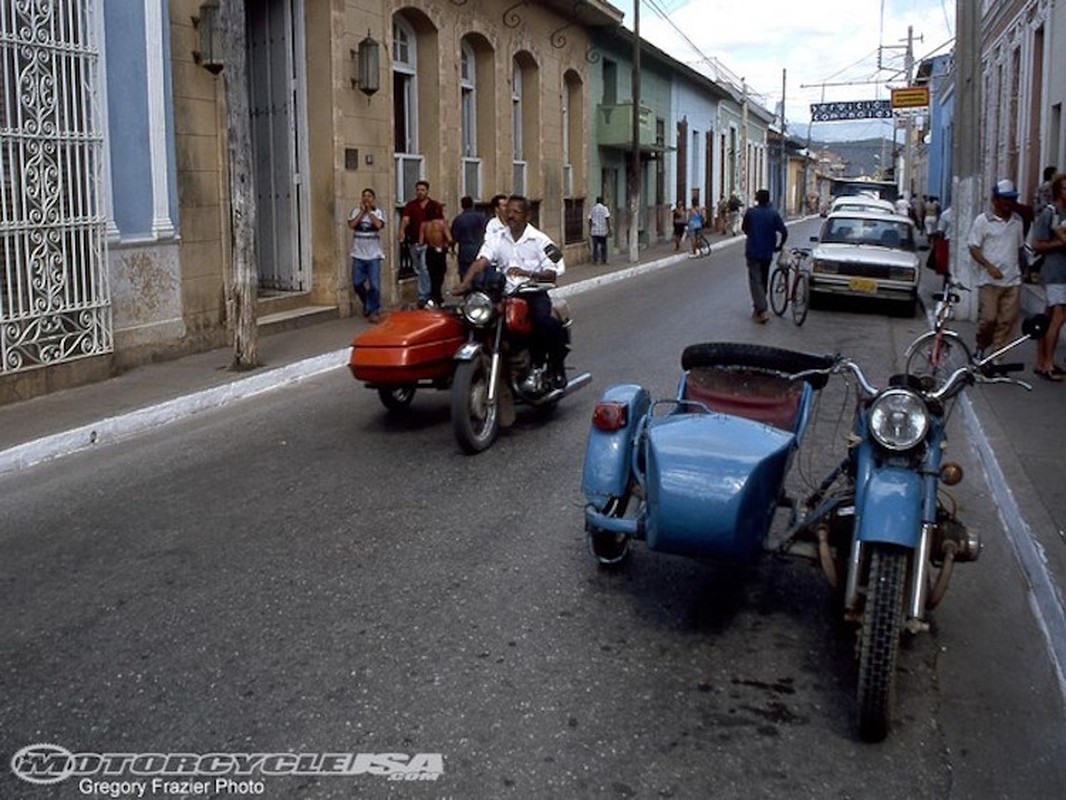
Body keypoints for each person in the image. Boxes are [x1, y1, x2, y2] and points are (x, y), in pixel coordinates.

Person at [454, 195, 569, 388]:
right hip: (506, 295)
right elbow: (482, 260)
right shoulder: (497, 238)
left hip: (533, 294)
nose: (511, 216)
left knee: (542, 321)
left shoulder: (540, 240)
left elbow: (554, 270)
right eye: (509, 212)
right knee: (477, 321)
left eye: (516, 212)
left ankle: (554, 366)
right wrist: (465, 283)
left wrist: (527, 273)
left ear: (527, 215)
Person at [967, 179, 1025, 359]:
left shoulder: (1017, 221)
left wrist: (1023, 270)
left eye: (1011, 199)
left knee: (1007, 322)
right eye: (1005, 199)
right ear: (995, 200)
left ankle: (997, 357)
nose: (1008, 203)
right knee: (989, 320)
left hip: (1012, 280)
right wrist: (988, 266)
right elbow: (974, 248)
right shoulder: (983, 221)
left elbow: (1020, 248)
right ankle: (981, 346)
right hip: (989, 281)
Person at [1031, 172, 1066, 381]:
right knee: (1058, 315)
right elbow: (1037, 244)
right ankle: (1048, 364)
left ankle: (1041, 360)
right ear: (1057, 191)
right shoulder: (1050, 213)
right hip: (1055, 272)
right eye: (1064, 188)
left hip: (1064, 273)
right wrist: (1058, 243)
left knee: (1049, 317)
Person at [741, 188, 788, 323]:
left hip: (753, 251)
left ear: (757, 199)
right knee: (763, 280)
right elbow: (784, 232)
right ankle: (759, 309)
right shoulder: (773, 214)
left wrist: (753, 234)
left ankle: (762, 309)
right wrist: (779, 246)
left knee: (755, 281)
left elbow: (745, 229)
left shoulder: (751, 213)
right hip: (767, 252)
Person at [348, 187, 386, 323]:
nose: (366, 198)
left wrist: (369, 212)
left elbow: (378, 225)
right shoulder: (355, 211)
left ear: (373, 199)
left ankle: (374, 310)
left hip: (373, 255)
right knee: (357, 283)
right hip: (358, 254)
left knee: (375, 285)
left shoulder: (378, 212)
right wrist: (361, 213)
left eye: (369, 196)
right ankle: (367, 303)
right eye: (364, 196)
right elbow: (352, 225)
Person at [398, 179, 434, 306]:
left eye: (422, 190)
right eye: (418, 190)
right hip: (414, 242)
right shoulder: (411, 205)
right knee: (418, 269)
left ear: (427, 191)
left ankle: (424, 295)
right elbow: (406, 219)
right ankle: (426, 292)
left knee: (424, 268)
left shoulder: (433, 205)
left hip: (428, 243)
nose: (420, 192)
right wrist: (401, 231)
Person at [419, 200, 452, 307]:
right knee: (440, 274)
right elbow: (449, 238)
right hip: (440, 251)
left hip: (430, 251)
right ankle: (437, 296)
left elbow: (421, 241)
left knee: (432, 275)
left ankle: (433, 296)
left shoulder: (424, 225)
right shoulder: (442, 223)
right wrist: (446, 244)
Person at [450, 196, 487, 283]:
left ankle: (467, 291)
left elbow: (454, 237)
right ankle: (478, 290)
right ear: (472, 205)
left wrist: (452, 249)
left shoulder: (458, 219)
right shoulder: (481, 217)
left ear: (462, 205)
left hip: (464, 249)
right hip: (478, 247)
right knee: (479, 271)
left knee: (465, 273)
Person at [588, 196, 611, 264]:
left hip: (594, 231)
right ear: (602, 201)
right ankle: (604, 260)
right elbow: (607, 219)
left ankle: (595, 260)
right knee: (603, 246)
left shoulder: (593, 209)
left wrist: (590, 229)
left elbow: (590, 219)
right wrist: (609, 229)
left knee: (595, 246)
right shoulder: (605, 209)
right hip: (602, 231)